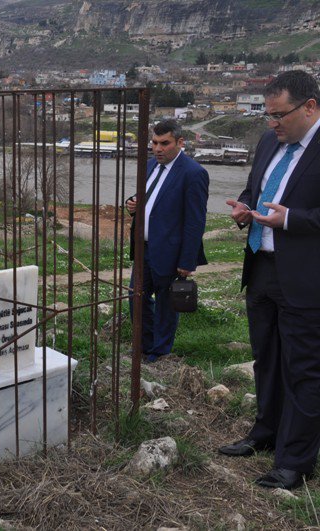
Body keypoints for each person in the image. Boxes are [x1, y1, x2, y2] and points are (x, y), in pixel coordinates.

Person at [220, 70, 320, 490]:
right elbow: (253, 190)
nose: (272, 123)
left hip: (307, 277)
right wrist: (245, 208)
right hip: (261, 266)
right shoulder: (268, 142)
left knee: (304, 368)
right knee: (266, 357)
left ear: (311, 107)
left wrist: (291, 219)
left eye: (280, 115)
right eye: (268, 115)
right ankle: (265, 432)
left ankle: (295, 460)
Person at [127, 120, 209, 363]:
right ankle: (145, 346)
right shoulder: (150, 165)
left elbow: (195, 221)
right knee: (136, 298)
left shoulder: (194, 173)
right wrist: (133, 204)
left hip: (170, 252)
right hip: (144, 249)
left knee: (165, 305)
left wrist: (187, 260)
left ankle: (160, 352)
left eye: (165, 143)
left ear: (180, 143)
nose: (158, 148)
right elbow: (150, 201)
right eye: (154, 142)